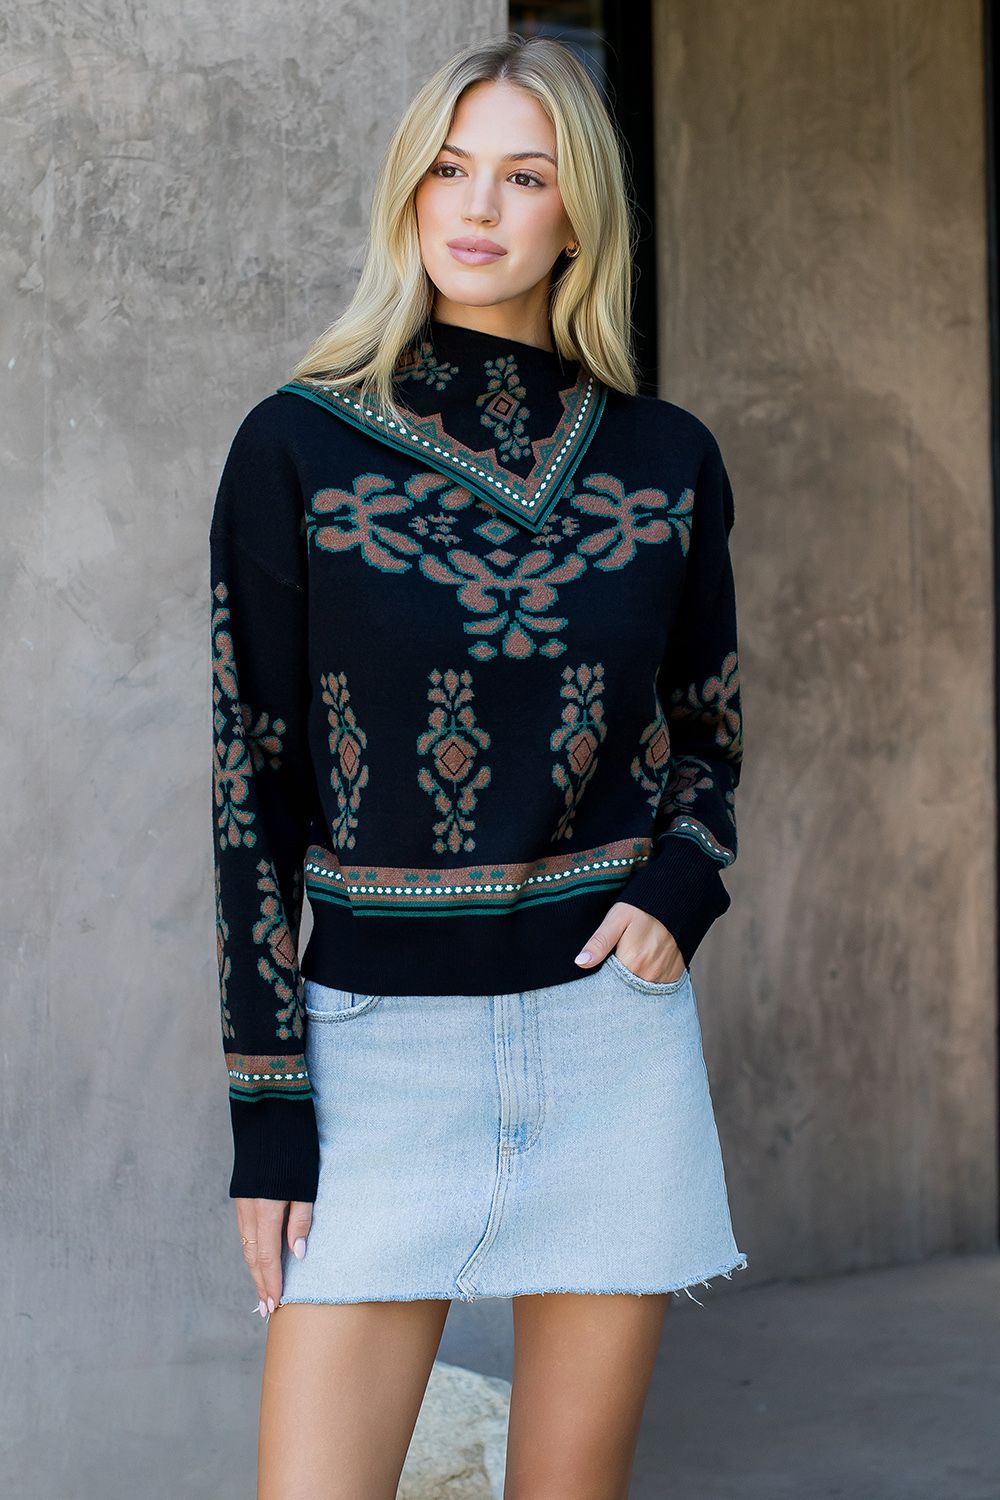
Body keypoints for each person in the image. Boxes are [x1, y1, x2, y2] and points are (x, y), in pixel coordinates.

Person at [210, 30, 748, 1499]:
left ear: (579, 213)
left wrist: (683, 892)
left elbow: (707, 733)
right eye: (451, 168)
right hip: (377, 1050)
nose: (478, 205)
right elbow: (252, 789)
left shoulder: (666, 459)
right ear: (410, 189)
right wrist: (269, 1107)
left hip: (607, 1036)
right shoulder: (296, 448)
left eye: (525, 175)